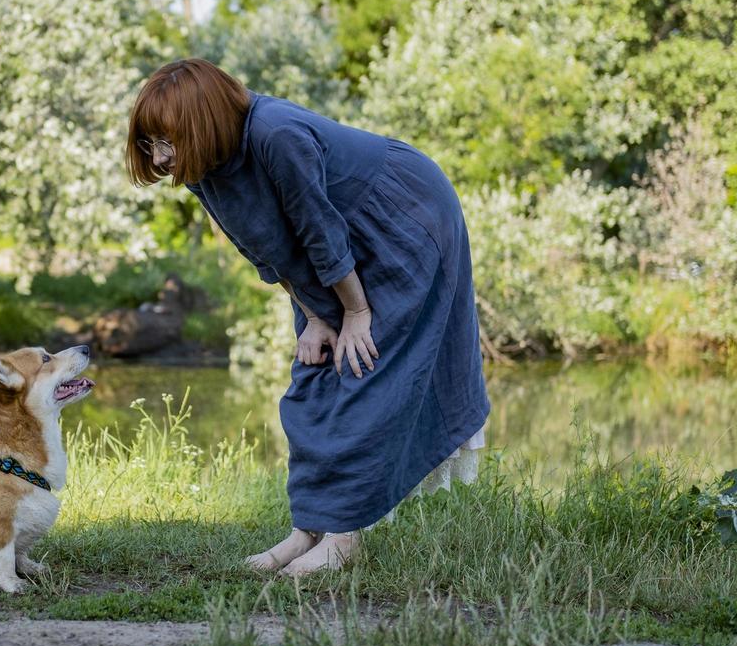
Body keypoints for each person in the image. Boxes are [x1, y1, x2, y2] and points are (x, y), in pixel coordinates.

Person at [126, 59, 490, 575]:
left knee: (365, 367)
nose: (160, 158)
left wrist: (357, 310)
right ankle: (308, 531)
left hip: (400, 215)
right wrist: (315, 314)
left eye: (168, 142)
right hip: (336, 251)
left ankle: (345, 539)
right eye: (149, 144)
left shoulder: (278, 134)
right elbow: (262, 246)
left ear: (203, 122)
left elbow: (318, 229)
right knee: (313, 375)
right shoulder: (198, 165)